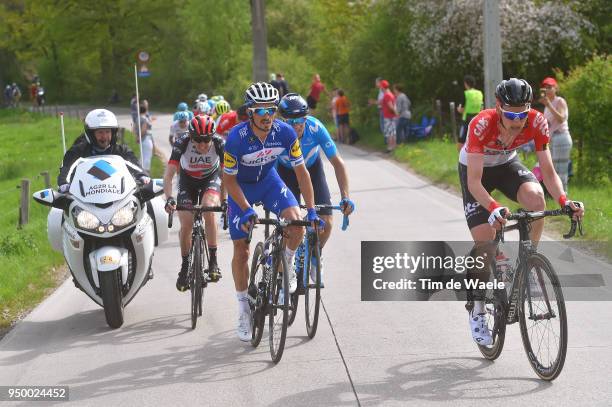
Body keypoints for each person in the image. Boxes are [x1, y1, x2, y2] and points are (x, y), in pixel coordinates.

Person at [458, 78, 584, 346]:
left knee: (537, 200)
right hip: (477, 172)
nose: (517, 120)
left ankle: (529, 265)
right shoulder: (481, 124)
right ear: (498, 107)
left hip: (506, 165)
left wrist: (563, 199)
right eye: (511, 114)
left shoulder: (538, 122)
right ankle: (478, 308)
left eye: (522, 113)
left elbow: (548, 172)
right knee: (486, 242)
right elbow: (474, 182)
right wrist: (492, 207)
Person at [223, 82, 323, 341]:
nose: (267, 116)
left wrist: (311, 209)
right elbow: (229, 181)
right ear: (250, 113)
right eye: (260, 111)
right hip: (241, 188)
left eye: (271, 110)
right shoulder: (236, 138)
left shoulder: (286, 133)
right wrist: (245, 209)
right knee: (241, 250)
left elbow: (301, 172)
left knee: (296, 222)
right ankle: (243, 307)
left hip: (269, 182)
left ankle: (285, 263)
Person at [277, 93, 355, 286]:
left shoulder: (315, 127)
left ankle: (315, 255)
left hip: (312, 169)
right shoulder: (276, 132)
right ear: (282, 120)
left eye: (301, 120)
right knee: (291, 224)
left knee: (327, 222)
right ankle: (286, 264)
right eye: (291, 121)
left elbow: (338, 163)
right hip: (286, 172)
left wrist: (345, 197)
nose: (297, 126)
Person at [164, 115, 226, 291]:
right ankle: (185, 267)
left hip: (210, 179)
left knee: (208, 209)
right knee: (186, 224)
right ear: (191, 137)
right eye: (198, 140)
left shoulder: (220, 143)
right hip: (187, 181)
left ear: (212, 137)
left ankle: (213, 261)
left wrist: (224, 201)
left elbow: (226, 175)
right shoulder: (182, 142)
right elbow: (168, 175)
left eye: (206, 140)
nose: (202, 145)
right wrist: (169, 198)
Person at [57, 109, 148, 189]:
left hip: (119, 199)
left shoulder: (121, 151)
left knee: (150, 204)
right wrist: (64, 183)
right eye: (100, 132)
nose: (104, 136)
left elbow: (135, 165)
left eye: (107, 132)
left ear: (113, 133)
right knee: (57, 209)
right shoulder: (77, 152)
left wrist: (142, 176)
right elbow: (66, 169)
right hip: (84, 201)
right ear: (91, 134)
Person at [539, 77, 572, 192]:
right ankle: (556, 193)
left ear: (555, 88)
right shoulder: (547, 106)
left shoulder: (559, 101)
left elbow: (562, 118)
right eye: (545, 88)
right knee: (553, 168)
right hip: (553, 139)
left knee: (561, 169)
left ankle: (564, 194)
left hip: (562, 137)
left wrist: (548, 105)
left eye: (549, 87)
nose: (547, 90)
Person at [456, 75, 483, 151]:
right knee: (476, 140)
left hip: (466, 120)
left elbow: (462, 109)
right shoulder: (479, 93)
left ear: (465, 84)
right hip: (477, 120)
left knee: (461, 140)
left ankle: (460, 159)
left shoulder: (466, 93)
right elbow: (481, 107)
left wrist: (458, 109)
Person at [380, 80, 398, 152]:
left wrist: (396, 113)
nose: (380, 88)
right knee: (393, 132)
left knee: (389, 132)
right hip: (392, 116)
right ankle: (394, 147)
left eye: (381, 86)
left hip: (388, 117)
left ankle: (390, 148)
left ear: (383, 87)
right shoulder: (391, 94)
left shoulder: (387, 95)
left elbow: (390, 106)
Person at [138, 104, 154, 174]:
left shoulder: (138, 118)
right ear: (145, 110)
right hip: (146, 138)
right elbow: (144, 129)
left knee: (143, 156)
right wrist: (140, 137)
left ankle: (140, 171)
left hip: (142, 139)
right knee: (147, 156)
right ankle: (146, 173)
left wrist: (138, 137)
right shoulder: (144, 118)